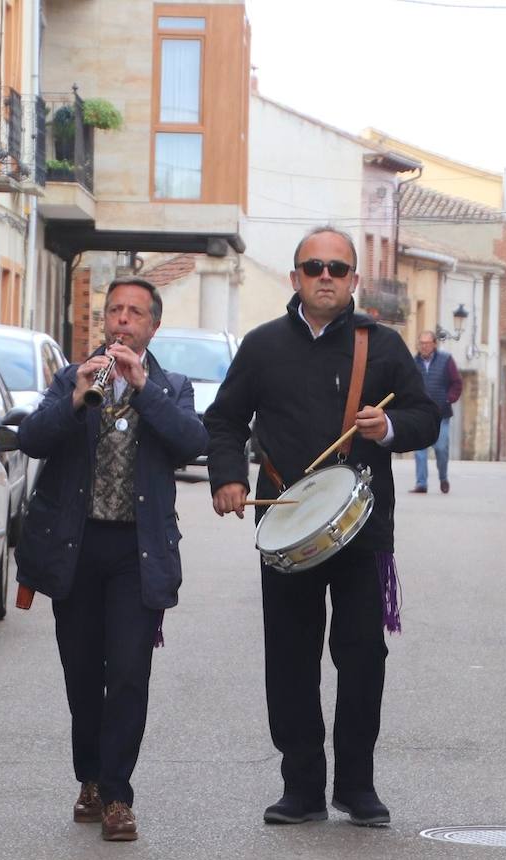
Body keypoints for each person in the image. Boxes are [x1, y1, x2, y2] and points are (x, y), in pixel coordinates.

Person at [206, 226, 439, 828]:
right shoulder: (261, 346)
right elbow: (224, 420)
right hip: (284, 521)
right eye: (314, 268)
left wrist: (387, 430)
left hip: (362, 525)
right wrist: (228, 477)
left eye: (337, 268)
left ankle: (357, 786)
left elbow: (424, 417)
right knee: (289, 656)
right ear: (296, 279)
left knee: (362, 656)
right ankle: (301, 787)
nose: (326, 276)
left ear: (355, 280)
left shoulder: (383, 345)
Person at [12, 277, 207, 843]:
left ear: (153, 326)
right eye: (114, 311)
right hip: (76, 547)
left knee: (127, 673)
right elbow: (33, 440)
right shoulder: (69, 378)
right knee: (82, 675)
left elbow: (190, 441)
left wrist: (145, 390)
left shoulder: (171, 384)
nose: (123, 321)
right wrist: (75, 398)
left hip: (135, 552)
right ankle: (89, 779)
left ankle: (118, 794)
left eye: (135, 313)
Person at [410, 330, 462, 494]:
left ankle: (443, 477)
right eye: (421, 343)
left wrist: (449, 399)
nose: (424, 347)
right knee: (419, 450)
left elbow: (456, 383)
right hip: (419, 414)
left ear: (434, 344)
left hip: (441, 414)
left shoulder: (446, 360)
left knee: (441, 449)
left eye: (427, 343)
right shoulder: (413, 362)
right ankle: (421, 483)